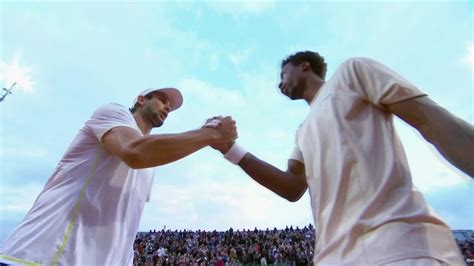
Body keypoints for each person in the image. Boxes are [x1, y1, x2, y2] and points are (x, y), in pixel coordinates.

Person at [208, 51, 473, 265]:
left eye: (283, 74)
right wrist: (230, 149)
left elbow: (431, 121)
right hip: (333, 257)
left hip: (398, 246)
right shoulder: (302, 131)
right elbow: (291, 187)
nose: (280, 83)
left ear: (304, 66)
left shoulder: (352, 73)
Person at [0, 87, 237, 265]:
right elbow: (135, 152)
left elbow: (126, 219)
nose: (167, 107)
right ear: (141, 99)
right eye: (162, 99)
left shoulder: (151, 161)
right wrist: (209, 135)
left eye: (170, 106)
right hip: (42, 255)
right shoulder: (113, 112)